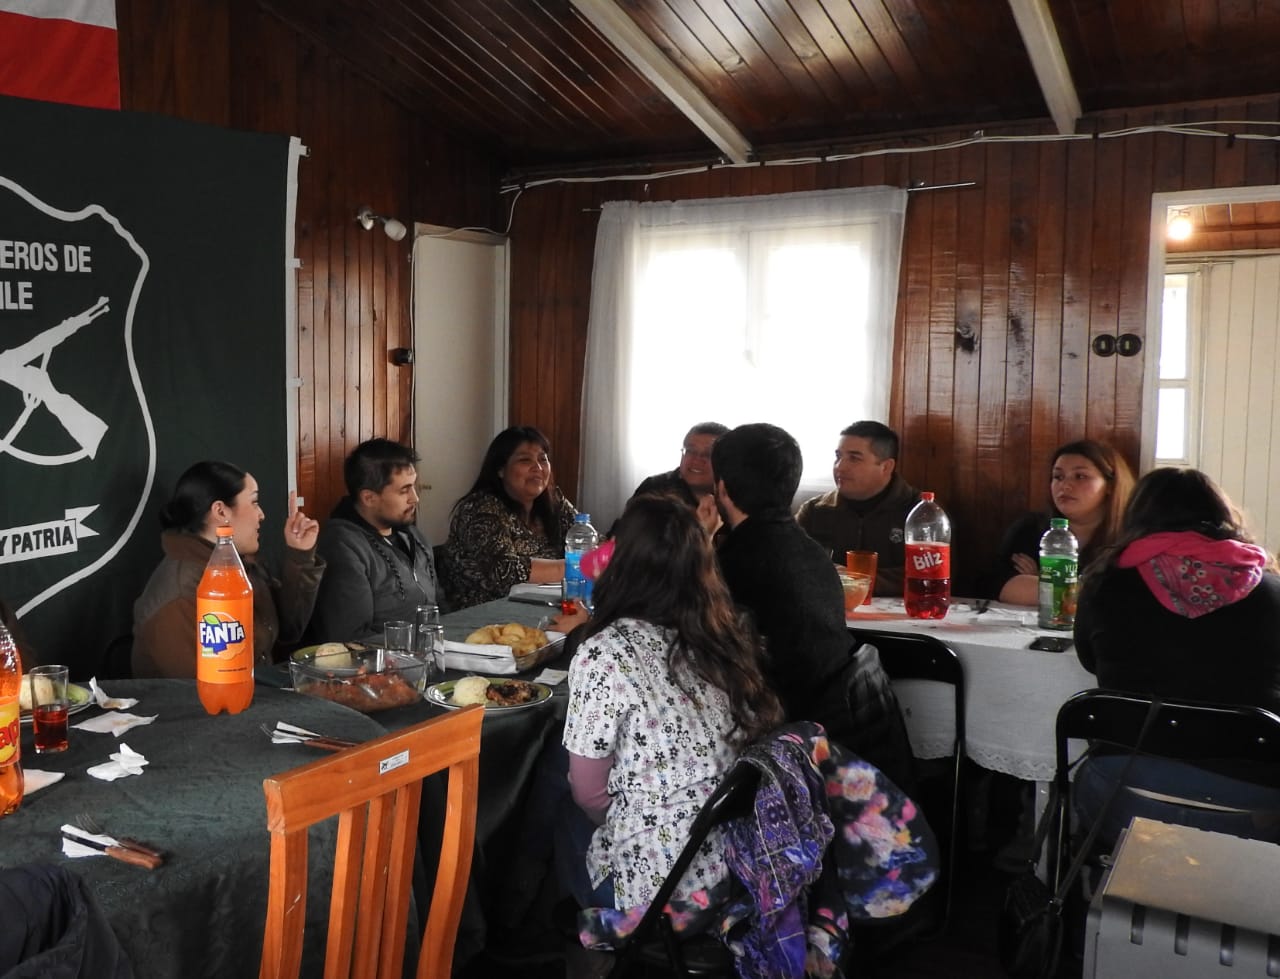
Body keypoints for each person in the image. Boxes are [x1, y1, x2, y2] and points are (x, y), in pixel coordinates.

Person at [561, 493, 783, 912]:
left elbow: (590, 797)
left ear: (620, 562)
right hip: (738, 866)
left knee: (558, 797)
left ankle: (555, 947)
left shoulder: (606, 652)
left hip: (662, 894)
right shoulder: (724, 635)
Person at [1072, 467, 1280, 845]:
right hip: (1256, 802)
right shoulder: (1272, 592)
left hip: (1124, 791)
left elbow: (1089, 659)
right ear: (1223, 516)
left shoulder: (1106, 584)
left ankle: (1111, 891)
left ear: (1137, 517)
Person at [711, 424, 913, 792]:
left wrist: (698, 542)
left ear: (722, 487)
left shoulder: (732, 566)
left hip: (781, 751)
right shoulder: (808, 551)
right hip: (837, 744)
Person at [132, 461, 323, 678]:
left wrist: (300, 555)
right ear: (221, 511)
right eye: (254, 502)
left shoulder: (241, 564)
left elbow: (290, 630)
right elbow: (199, 694)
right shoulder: (181, 594)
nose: (261, 514)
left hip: (260, 698)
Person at [309, 438, 437, 641]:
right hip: (383, 667)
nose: (415, 498)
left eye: (414, 486)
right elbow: (352, 638)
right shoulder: (342, 546)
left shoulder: (413, 536)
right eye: (404, 490)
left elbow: (441, 608)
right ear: (369, 498)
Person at [982, 439, 1135, 604]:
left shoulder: (1130, 536)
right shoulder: (1030, 528)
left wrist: (1045, 584)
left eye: (1080, 476)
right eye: (1058, 477)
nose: (1065, 486)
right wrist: (1076, 591)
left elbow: (1118, 598)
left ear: (1110, 486)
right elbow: (1002, 587)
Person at [439, 426, 577, 609]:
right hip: (483, 616)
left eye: (543, 459)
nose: (538, 467)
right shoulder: (480, 509)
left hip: (542, 606)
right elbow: (506, 571)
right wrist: (576, 567)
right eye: (525, 460)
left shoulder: (554, 502)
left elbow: (591, 542)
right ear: (501, 469)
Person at [795, 421, 919, 596]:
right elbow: (787, 562)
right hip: (828, 613)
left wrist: (853, 580)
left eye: (854, 458)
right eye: (838, 456)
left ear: (886, 466)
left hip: (902, 618)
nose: (840, 467)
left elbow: (931, 575)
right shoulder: (816, 511)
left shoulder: (919, 513)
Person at [617, 422, 728, 537]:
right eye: (690, 451)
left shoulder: (732, 496)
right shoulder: (655, 488)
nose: (697, 459)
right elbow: (624, 536)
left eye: (708, 454)